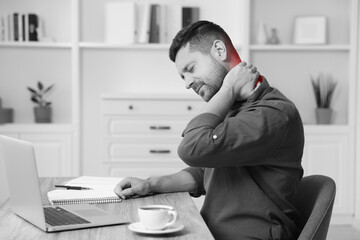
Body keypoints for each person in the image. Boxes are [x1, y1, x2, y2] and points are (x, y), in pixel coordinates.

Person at [114, 20, 304, 240]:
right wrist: (150, 184)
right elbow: (207, 171)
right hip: (210, 232)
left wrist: (228, 88)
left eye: (190, 69)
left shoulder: (272, 113)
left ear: (219, 50)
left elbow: (192, 148)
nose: (186, 83)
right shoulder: (235, 109)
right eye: (182, 76)